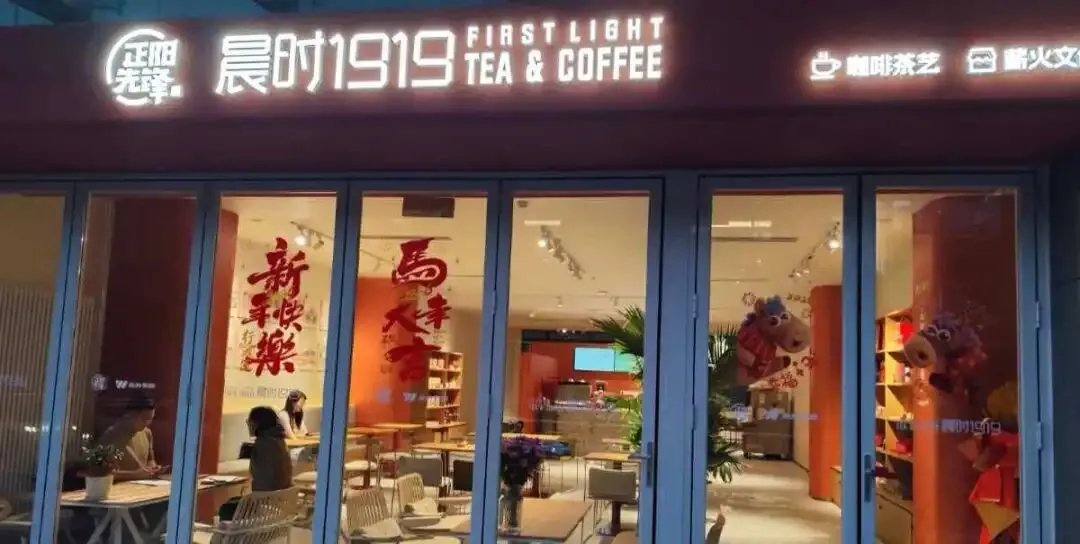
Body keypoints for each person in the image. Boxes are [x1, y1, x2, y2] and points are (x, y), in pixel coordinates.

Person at [218, 406, 293, 521]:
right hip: (281, 501)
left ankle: (235, 533)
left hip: (266, 503)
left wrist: (251, 498)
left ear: (256, 424)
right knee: (232, 503)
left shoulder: (263, 444)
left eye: (249, 421)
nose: (248, 425)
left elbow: (264, 481)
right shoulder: (280, 441)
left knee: (226, 508)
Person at [98, 394, 168, 481]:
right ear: (131, 414)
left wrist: (154, 469)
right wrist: (136, 475)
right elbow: (103, 473)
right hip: (119, 487)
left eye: (150, 419)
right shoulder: (112, 435)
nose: (147, 423)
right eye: (145, 419)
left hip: (142, 486)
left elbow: (150, 460)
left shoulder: (147, 433)